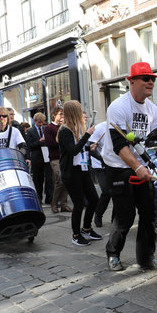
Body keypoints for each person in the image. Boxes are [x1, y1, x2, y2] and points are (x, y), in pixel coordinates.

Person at [102, 61, 157, 272]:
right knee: (125, 214)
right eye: (146, 79)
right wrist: (138, 168)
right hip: (118, 165)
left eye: (153, 79)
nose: (151, 82)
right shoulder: (119, 107)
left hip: (141, 165)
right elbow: (120, 145)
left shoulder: (152, 109)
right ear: (131, 82)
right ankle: (113, 254)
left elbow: (153, 142)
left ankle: (146, 258)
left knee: (149, 213)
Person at [58, 100, 102, 246]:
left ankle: (87, 228)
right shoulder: (65, 130)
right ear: (74, 113)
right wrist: (87, 136)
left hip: (82, 169)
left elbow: (80, 149)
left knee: (94, 200)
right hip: (71, 172)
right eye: (79, 111)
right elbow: (73, 150)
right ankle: (76, 235)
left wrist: (89, 148)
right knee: (78, 204)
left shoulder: (77, 128)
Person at [44, 106, 72, 213]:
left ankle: (64, 204)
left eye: (63, 114)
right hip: (55, 158)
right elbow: (50, 143)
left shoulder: (65, 127)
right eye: (60, 114)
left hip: (65, 158)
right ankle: (54, 203)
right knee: (60, 180)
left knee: (66, 180)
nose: (62, 117)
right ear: (54, 115)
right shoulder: (49, 128)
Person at [26, 113, 54, 205]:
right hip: (37, 157)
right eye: (39, 122)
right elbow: (30, 145)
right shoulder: (30, 131)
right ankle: (39, 198)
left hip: (46, 156)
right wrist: (39, 141)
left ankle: (49, 198)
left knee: (49, 178)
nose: (41, 124)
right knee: (38, 179)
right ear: (35, 121)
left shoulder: (46, 129)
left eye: (42, 122)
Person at [89, 121, 112, 227]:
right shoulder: (99, 128)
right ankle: (98, 214)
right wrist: (102, 159)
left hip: (113, 164)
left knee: (117, 191)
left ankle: (115, 218)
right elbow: (91, 148)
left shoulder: (120, 127)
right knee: (106, 191)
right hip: (100, 166)